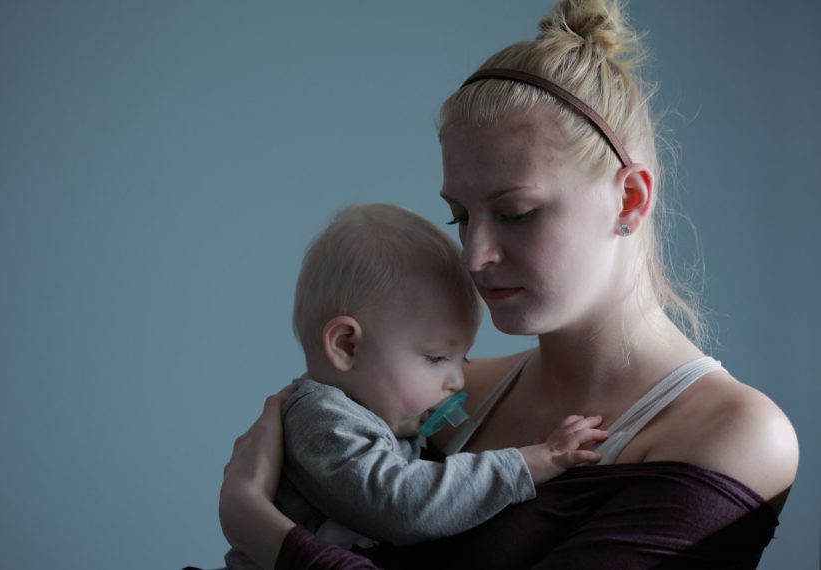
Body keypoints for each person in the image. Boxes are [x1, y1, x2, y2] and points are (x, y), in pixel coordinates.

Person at [219, 0, 799, 567]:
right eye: (460, 216)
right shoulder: (445, 391)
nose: (474, 256)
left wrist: (263, 532)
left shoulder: (736, 435)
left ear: (630, 198)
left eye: (517, 212)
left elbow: (291, 525)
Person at [225, 203, 608, 569]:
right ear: (347, 345)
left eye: (464, 359)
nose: (458, 380)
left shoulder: (387, 420)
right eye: (437, 358)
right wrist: (526, 463)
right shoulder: (322, 419)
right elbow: (401, 502)